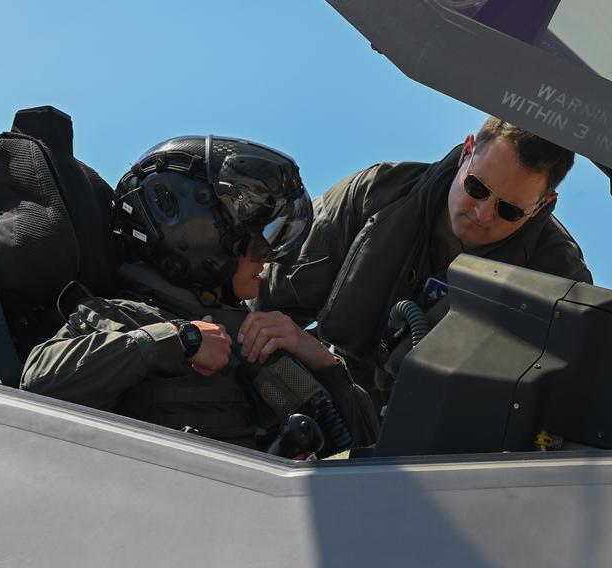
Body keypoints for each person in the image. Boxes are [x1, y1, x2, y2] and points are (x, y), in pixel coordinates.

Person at [21, 136, 378, 454]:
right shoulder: (122, 317)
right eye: (254, 238)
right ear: (199, 238)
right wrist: (178, 340)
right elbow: (40, 383)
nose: (266, 255)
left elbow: (367, 452)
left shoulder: (255, 342)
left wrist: (322, 362)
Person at [255, 117, 592, 399]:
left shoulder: (559, 283)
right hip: (320, 393)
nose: (483, 213)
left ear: (542, 205)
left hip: (437, 452)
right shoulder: (378, 192)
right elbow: (266, 297)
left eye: (509, 209)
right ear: (468, 151)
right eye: (476, 187)